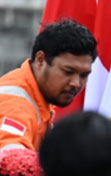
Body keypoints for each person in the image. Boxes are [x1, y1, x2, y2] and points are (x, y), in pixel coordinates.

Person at [0, 18, 95, 152]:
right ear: (40, 60)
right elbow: (9, 155)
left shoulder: (40, 95)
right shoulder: (16, 105)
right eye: (68, 72)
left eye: (84, 75)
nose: (76, 83)